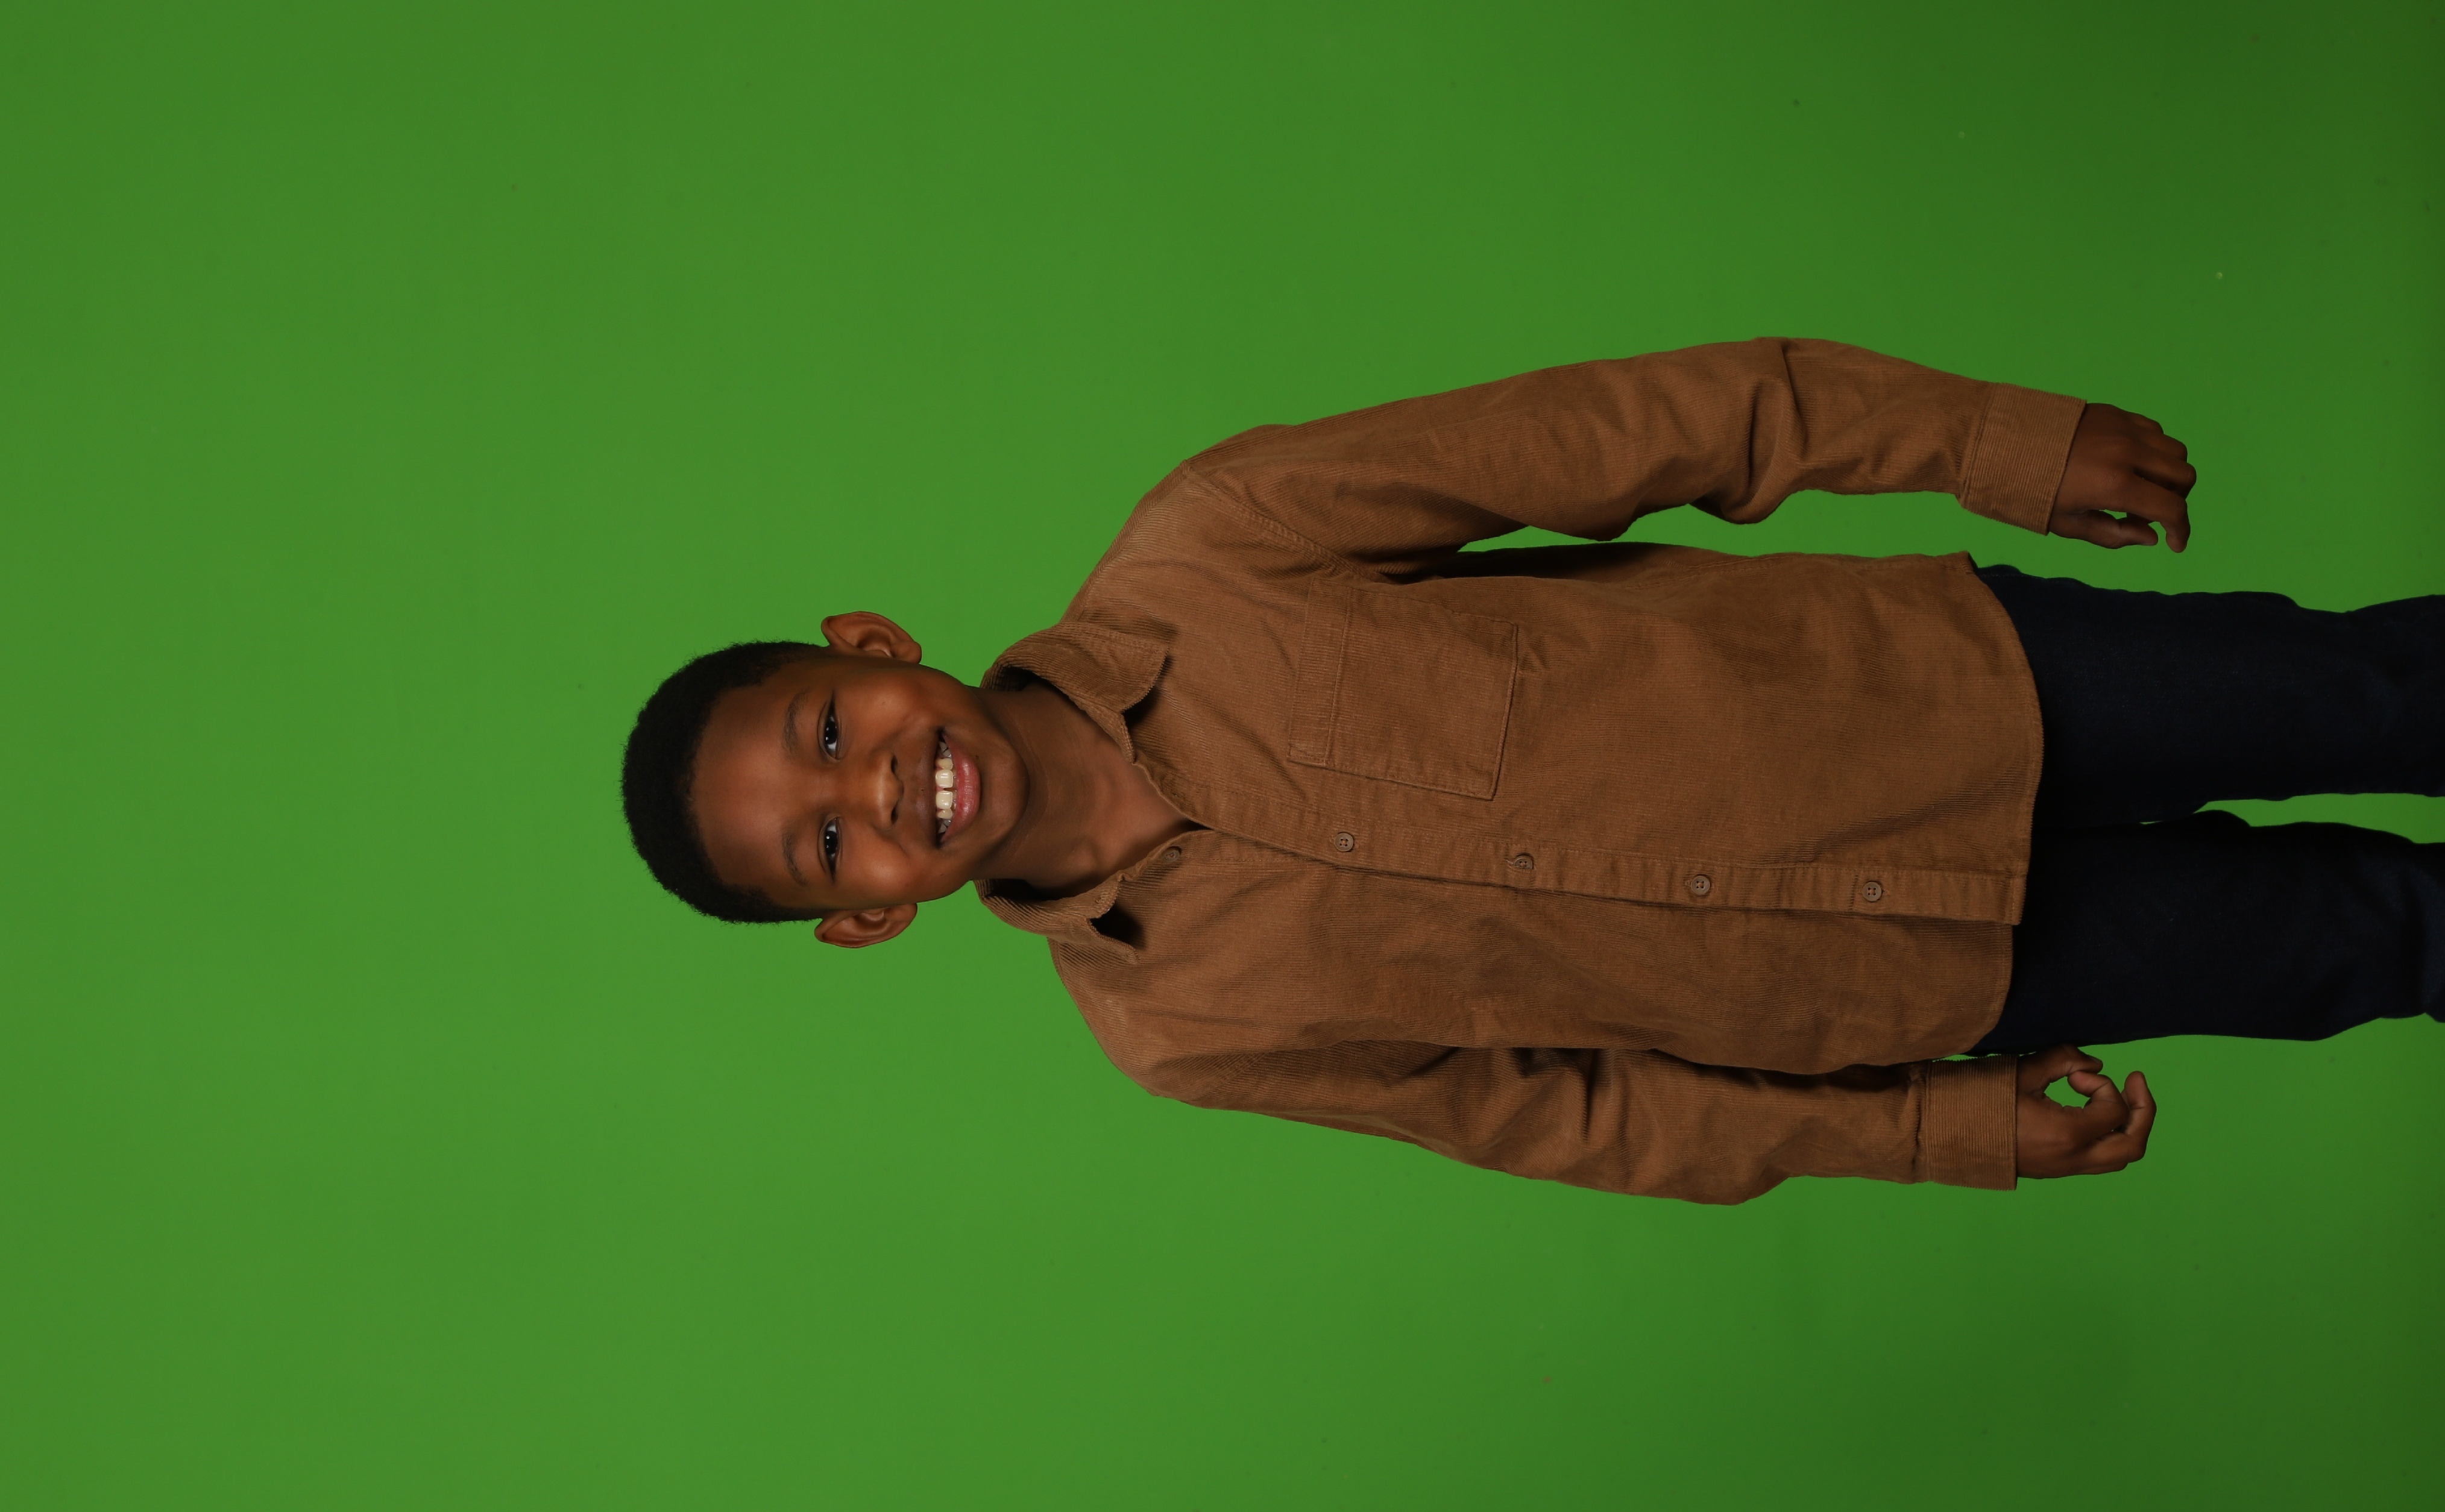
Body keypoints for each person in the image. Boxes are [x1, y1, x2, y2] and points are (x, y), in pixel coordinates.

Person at [621, 339, 2443, 1204]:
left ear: (871, 646)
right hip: (1920, 976)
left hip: (1947, 685)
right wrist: (1923, 1128)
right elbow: (1574, 1116)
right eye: (827, 850)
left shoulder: (1215, 542)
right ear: (861, 925)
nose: (878, 796)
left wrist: (1987, 439)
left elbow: (1622, 433)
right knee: (2377, 941)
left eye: (830, 736)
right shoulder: (1178, 1032)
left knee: (2383, 692)